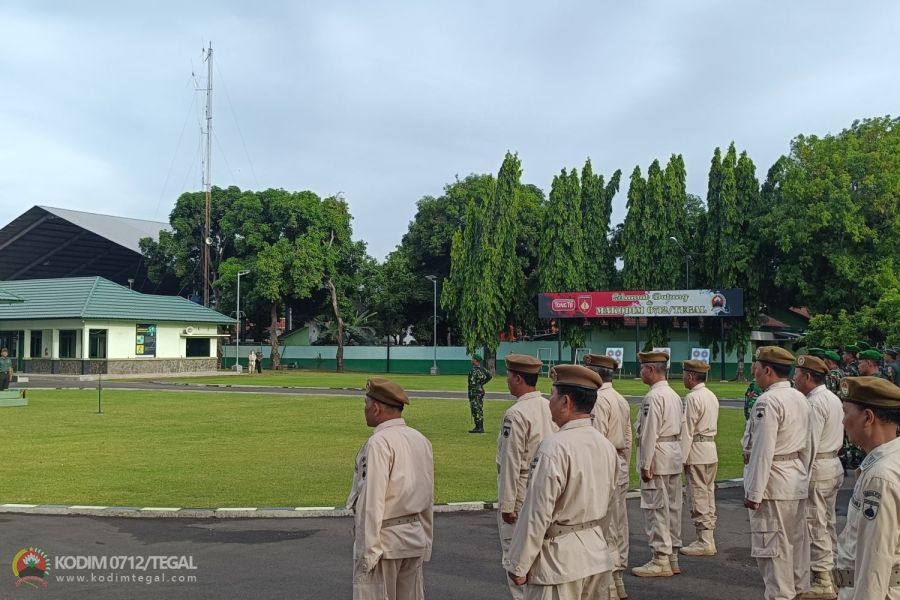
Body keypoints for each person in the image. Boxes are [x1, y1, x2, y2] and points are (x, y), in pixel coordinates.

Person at [503, 364, 618, 599]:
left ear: (566, 402)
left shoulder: (553, 447)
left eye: (553, 395)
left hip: (559, 560)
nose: (549, 402)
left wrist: (518, 564)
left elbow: (537, 512)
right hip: (596, 553)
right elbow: (610, 507)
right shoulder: (605, 445)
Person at [346, 378, 434, 600]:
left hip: (384, 543)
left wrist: (368, 552)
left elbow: (371, 500)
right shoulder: (421, 439)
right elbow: (427, 494)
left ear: (376, 408)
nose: (365, 410)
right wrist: (426, 540)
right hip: (413, 537)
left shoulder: (378, 443)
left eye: (366, 404)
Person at [742, 346, 813, 600]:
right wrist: (803, 476)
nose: (755, 372)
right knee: (796, 548)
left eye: (757, 367)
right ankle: (797, 592)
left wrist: (754, 492)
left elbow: (763, 449)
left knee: (773, 552)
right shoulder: (801, 398)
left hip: (773, 481)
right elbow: (809, 445)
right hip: (794, 477)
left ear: (768, 370)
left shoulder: (767, 401)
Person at [834, 376, 900, 599]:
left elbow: (874, 562)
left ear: (868, 417)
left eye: (846, 413)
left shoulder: (880, 477)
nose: (843, 422)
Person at [496, 354, 556, 600]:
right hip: (546, 486)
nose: (507, 381)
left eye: (509, 376)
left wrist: (507, 504)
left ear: (519, 379)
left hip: (521, 488)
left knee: (516, 557)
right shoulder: (549, 406)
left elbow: (511, 461)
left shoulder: (516, 413)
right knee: (540, 554)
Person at [793, 355, 844, 600]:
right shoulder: (833, 398)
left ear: (808, 377)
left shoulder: (813, 403)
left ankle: (822, 579)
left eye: (797, 374)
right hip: (833, 462)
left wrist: (801, 475)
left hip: (818, 466)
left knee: (815, 524)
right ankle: (833, 574)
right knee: (827, 523)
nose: (794, 378)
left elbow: (809, 444)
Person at [583, 353, 632, 598]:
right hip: (619, 462)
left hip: (605, 466)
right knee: (619, 524)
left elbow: (597, 439)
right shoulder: (620, 399)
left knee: (605, 526)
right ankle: (618, 580)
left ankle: (610, 584)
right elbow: (628, 437)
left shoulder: (599, 400)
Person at [632, 351, 684, 578]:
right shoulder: (673, 395)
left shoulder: (653, 397)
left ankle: (661, 558)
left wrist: (645, 463)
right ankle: (672, 556)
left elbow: (649, 432)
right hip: (672, 453)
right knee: (672, 507)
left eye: (643, 368)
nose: (641, 372)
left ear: (651, 370)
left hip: (658, 455)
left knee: (656, 508)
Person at [679, 359, 720, 557]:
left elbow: (687, 430)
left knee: (698, 494)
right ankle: (708, 535)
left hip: (696, 450)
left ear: (690, 376)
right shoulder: (711, 395)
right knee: (708, 493)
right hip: (710, 448)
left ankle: (704, 540)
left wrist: (681, 458)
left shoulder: (692, 398)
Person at [467, 353, 492, 433]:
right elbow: (489, 376)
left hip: (475, 393)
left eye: (472, 359)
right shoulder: (482, 369)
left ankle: (479, 428)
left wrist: (480, 384)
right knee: (478, 409)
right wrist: (481, 384)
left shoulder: (474, 371)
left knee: (476, 409)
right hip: (479, 392)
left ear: (475, 360)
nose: (471, 360)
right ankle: (478, 427)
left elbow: (472, 384)